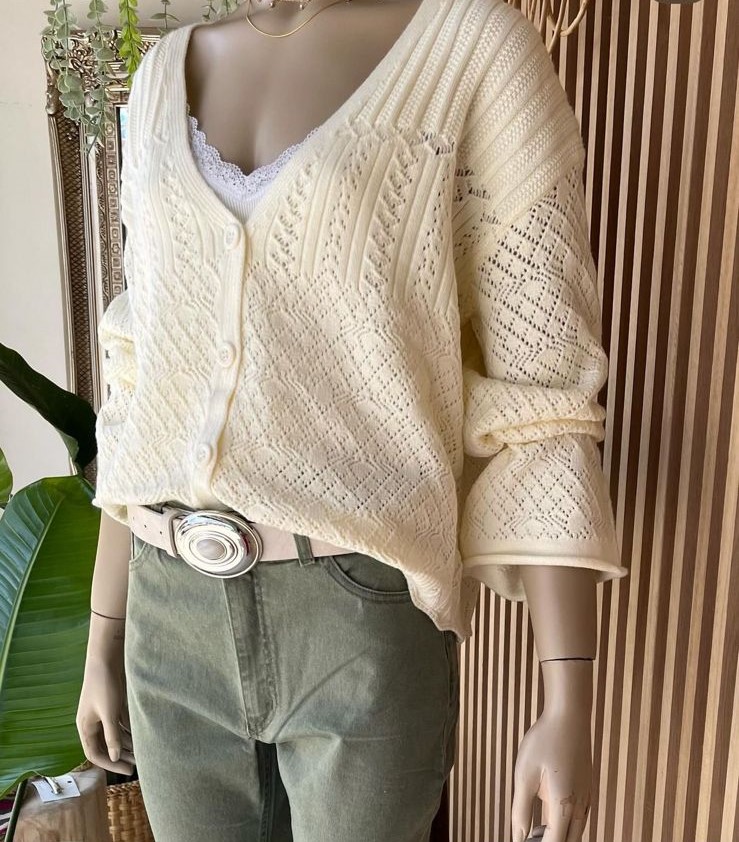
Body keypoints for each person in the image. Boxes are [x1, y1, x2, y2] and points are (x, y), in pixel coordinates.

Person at [76, 0, 629, 839]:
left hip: (356, 614)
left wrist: (568, 699)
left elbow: (543, 385)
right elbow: (138, 377)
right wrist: (103, 636)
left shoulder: (470, 46)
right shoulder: (161, 73)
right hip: (166, 603)